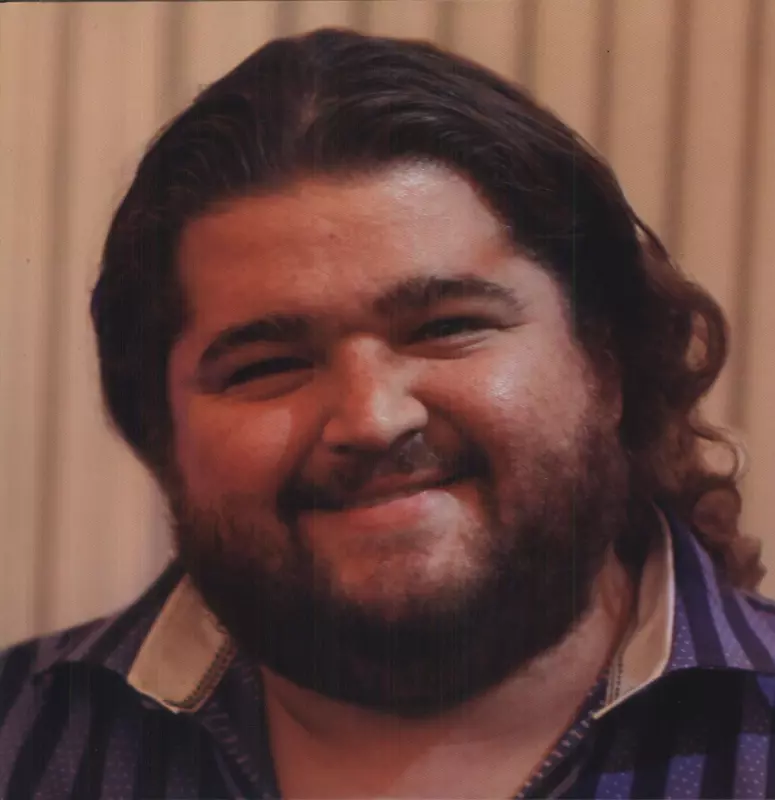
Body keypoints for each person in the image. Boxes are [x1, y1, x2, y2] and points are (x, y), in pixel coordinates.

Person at [1, 27, 773, 800]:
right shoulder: (21, 738)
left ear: (605, 361)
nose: (371, 420)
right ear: (161, 432)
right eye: (267, 365)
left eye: (446, 327)